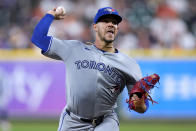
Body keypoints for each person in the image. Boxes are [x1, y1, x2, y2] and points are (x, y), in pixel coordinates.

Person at [31, 6, 147, 131]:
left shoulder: (129, 64)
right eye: (105, 21)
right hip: (72, 121)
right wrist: (50, 15)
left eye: (114, 22)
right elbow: (38, 39)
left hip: (106, 122)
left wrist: (139, 105)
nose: (111, 25)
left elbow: (142, 107)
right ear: (95, 27)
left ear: (117, 28)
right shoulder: (74, 48)